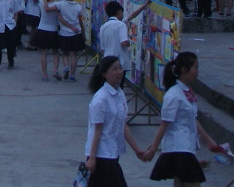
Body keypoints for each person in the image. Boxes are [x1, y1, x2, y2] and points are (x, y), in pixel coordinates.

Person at [144, 52, 226, 186]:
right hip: (179, 148)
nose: (197, 72)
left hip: (185, 147)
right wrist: (152, 150)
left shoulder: (186, 91)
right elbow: (164, 124)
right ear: (184, 70)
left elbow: (192, 119)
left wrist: (208, 140)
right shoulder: (173, 95)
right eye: (195, 68)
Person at [84, 56, 148, 186]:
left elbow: (123, 125)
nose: (119, 72)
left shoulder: (120, 94)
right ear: (104, 74)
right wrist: (92, 158)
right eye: (114, 69)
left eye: (120, 68)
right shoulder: (100, 99)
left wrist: (136, 149)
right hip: (102, 154)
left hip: (113, 152)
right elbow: (97, 131)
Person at [32, 0, 62, 81]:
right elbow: (48, 10)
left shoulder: (42, 1)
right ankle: (55, 70)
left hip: (42, 29)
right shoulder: (57, 4)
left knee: (43, 53)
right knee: (55, 52)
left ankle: (45, 74)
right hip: (53, 30)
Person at [57, 0, 85, 82]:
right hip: (75, 33)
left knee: (64, 52)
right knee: (73, 54)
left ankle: (66, 67)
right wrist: (83, 33)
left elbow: (57, 14)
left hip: (64, 33)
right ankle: (72, 75)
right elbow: (80, 22)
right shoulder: (78, 6)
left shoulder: (60, 5)